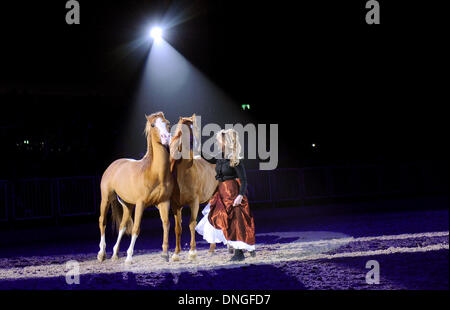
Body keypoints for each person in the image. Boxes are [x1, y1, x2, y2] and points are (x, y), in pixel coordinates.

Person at [195, 129, 256, 261]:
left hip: (232, 192)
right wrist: (194, 145)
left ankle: (239, 252)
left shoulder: (235, 158)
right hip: (221, 191)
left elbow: (244, 180)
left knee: (235, 221)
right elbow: (204, 156)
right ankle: (237, 246)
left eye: (218, 140)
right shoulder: (219, 156)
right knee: (218, 217)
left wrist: (240, 195)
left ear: (225, 142)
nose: (217, 142)